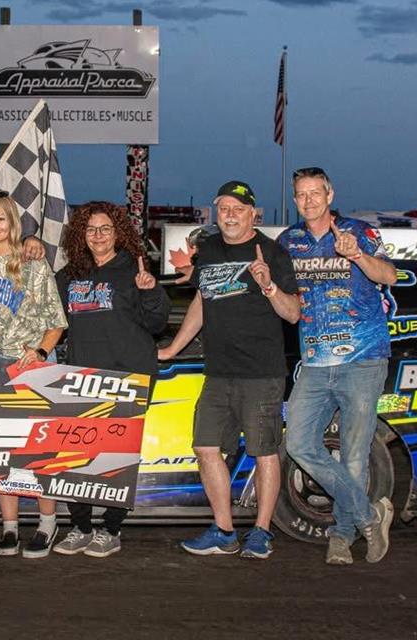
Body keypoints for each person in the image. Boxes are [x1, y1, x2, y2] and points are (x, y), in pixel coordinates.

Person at [158, 180, 300, 559]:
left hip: (262, 373)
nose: (231, 214)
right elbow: (203, 302)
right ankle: (223, 529)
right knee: (205, 448)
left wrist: (269, 286)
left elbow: (293, 312)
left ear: (254, 214)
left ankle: (262, 531)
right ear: (215, 212)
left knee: (264, 451)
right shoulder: (208, 251)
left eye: (239, 208)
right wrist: (174, 346)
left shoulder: (272, 253)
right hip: (218, 372)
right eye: (224, 208)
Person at [279, 166, 397, 565]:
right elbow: (286, 304)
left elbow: (391, 276)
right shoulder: (289, 241)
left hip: (362, 361)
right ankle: (370, 514)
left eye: (315, 192)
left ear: (330, 194)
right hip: (314, 364)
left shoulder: (357, 232)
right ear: (295, 199)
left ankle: (341, 537)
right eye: (301, 194)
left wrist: (357, 255)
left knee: (352, 456)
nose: (308, 200)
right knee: (297, 444)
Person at [52, 201, 171, 558]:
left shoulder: (132, 271)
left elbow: (157, 324)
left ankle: (111, 529)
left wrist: (150, 290)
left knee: (115, 459)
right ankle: (80, 527)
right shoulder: (69, 274)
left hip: (128, 376)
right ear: (80, 235)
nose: (98, 236)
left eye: (105, 229)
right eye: (90, 230)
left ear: (118, 233)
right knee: (76, 458)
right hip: (80, 377)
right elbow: (52, 323)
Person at [0, 192, 68, 559]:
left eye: (0, 219)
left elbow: (56, 322)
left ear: (13, 222)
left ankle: (47, 522)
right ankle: (9, 527)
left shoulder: (33, 263)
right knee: (2, 448)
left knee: (40, 449)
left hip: (34, 359)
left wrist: (40, 351)